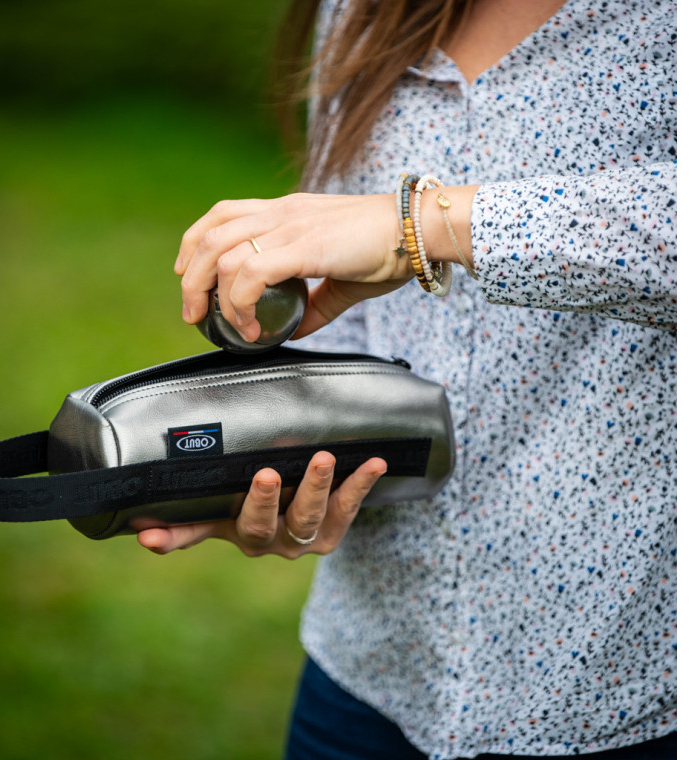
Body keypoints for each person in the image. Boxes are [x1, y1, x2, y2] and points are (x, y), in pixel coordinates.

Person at [137, 0, 677, 757]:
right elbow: (344, 308)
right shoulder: (361, 10)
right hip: (368, 681)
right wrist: (289, 468)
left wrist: (420, 226)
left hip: (632, 698)